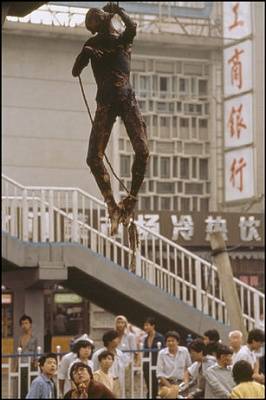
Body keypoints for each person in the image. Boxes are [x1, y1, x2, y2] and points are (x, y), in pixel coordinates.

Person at [72, 3, 149, 235]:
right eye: (95, 19)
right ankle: (111, 205)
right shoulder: (92, 44)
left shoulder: (123, 39)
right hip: (105, 103)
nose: (100, 19)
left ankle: (131, 200)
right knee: (93, 158)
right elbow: (76, 71)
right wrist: (85, 53)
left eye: (99, 16)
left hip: (127, 100)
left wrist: (119, 10)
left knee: (143, 150)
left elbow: (133, 27)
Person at [92, 329, 129, 397]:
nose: (118, 340)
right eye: (116, 338)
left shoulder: (120, 353)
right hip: (103, 382)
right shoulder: (98, 354)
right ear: (109, 341)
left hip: (117, 382)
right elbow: (94, 370)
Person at [156, 331, 192, 399]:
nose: (170, 343)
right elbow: (159, 373)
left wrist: (185, 383)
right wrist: (172, 388)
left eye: (173, 341)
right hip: (167, 383)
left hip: (182, 383)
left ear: (177, 342)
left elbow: (189, 368)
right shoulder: (162, 353)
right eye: (168, 341)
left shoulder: (184, 351)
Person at [142, 317, 164, 399]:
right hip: (147, 365)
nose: (145, 327)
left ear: (153, 326)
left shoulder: (160, 337)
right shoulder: (145, 338)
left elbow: (163, 351)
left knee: (155, 385)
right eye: (144, 325)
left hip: (156, 364)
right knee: (149, 386)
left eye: (147, 325)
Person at [18, 314, 38, 398]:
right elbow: (18, 353)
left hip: (31, 364)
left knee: (32, 385)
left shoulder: (34, 338)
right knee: (23, 386)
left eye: (26, 323)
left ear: (30, 324)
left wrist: (36, 361)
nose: (24, 325)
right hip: (22, 364)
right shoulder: (20, 338)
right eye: (22, 324)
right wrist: (15, 366)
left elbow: (36, 351)